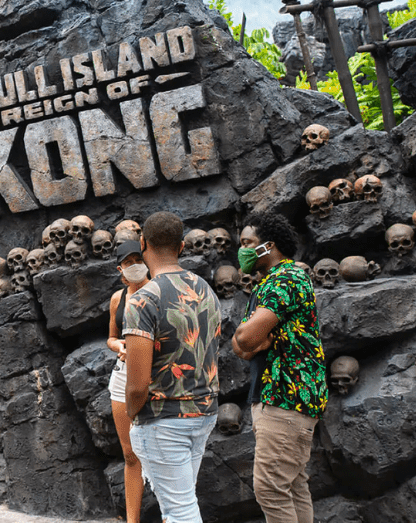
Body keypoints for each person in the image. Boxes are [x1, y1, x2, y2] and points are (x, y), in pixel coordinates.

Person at [123, 212, 221, 523]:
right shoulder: (205, 288)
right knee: (180, 503)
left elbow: (137, 385)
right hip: (204, 413)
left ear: (142, 244)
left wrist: (132, 413)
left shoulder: (142, 301)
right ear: (181, 246)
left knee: (180, 513)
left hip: (164, 419)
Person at [232, 213, 327, 523]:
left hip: (285, 398)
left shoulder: (285, 279)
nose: (242, 250)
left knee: (271, 489)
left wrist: (250, 339)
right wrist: (250, 340)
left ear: (268, 246)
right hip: (280, 398)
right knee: (294, 487)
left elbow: (245, 337)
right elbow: (242, 347)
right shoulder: (268, 285)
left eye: (247, 243)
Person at [107, 241, 151, 523]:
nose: (134, 264)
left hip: (155, 373)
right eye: (128, 260)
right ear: (120, 267)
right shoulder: (117, 298)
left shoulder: (158, 289)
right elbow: (110, 336)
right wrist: (119, 345)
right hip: (122, 373)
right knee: (130, 453)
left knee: (162, 454)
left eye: (138, 258)